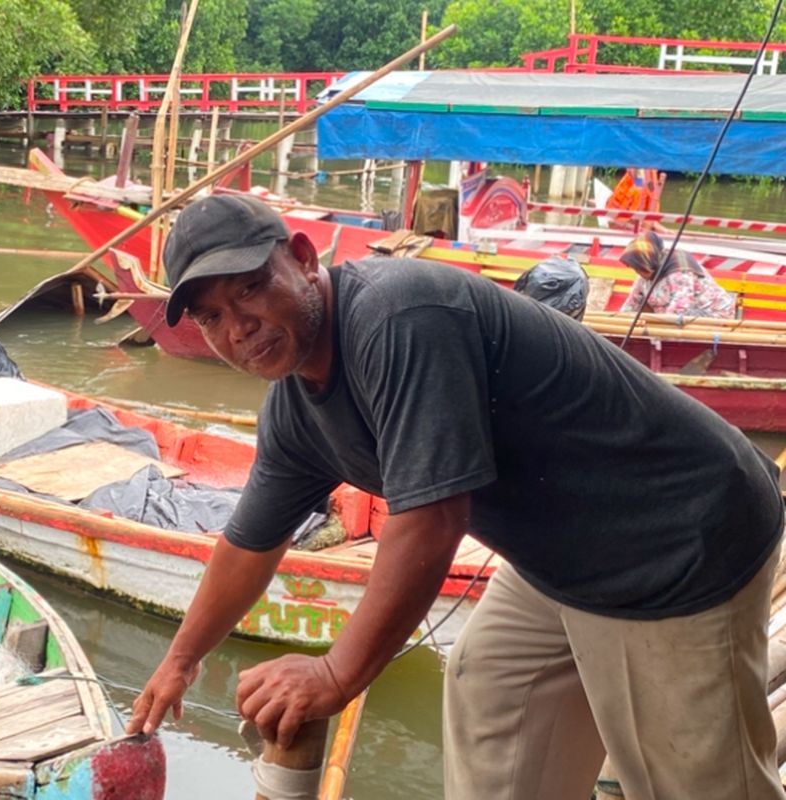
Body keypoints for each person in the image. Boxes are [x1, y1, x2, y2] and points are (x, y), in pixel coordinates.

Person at [125, 194, 785, 799]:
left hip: (680, 534)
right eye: (212, 317)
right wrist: (181, 661)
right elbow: (249, 541)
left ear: (302, 259)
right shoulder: (295, 409)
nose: (238, 327)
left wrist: (334, 675)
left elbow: (434, 520)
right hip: (563, 551)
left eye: (250, 291)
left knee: (690, 779)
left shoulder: (397, 315)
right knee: (494, 689)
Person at [620, 230, 737, 319]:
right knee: (641, 305)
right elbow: (631, 304)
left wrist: (654, 326)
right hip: (672, 313)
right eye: (636, 270)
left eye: (640, 269)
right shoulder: (646, 272)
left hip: (711, 314)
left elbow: (679, 310)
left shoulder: (680, 272)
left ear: (649, 263)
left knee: (674, 319)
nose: (639, 273)